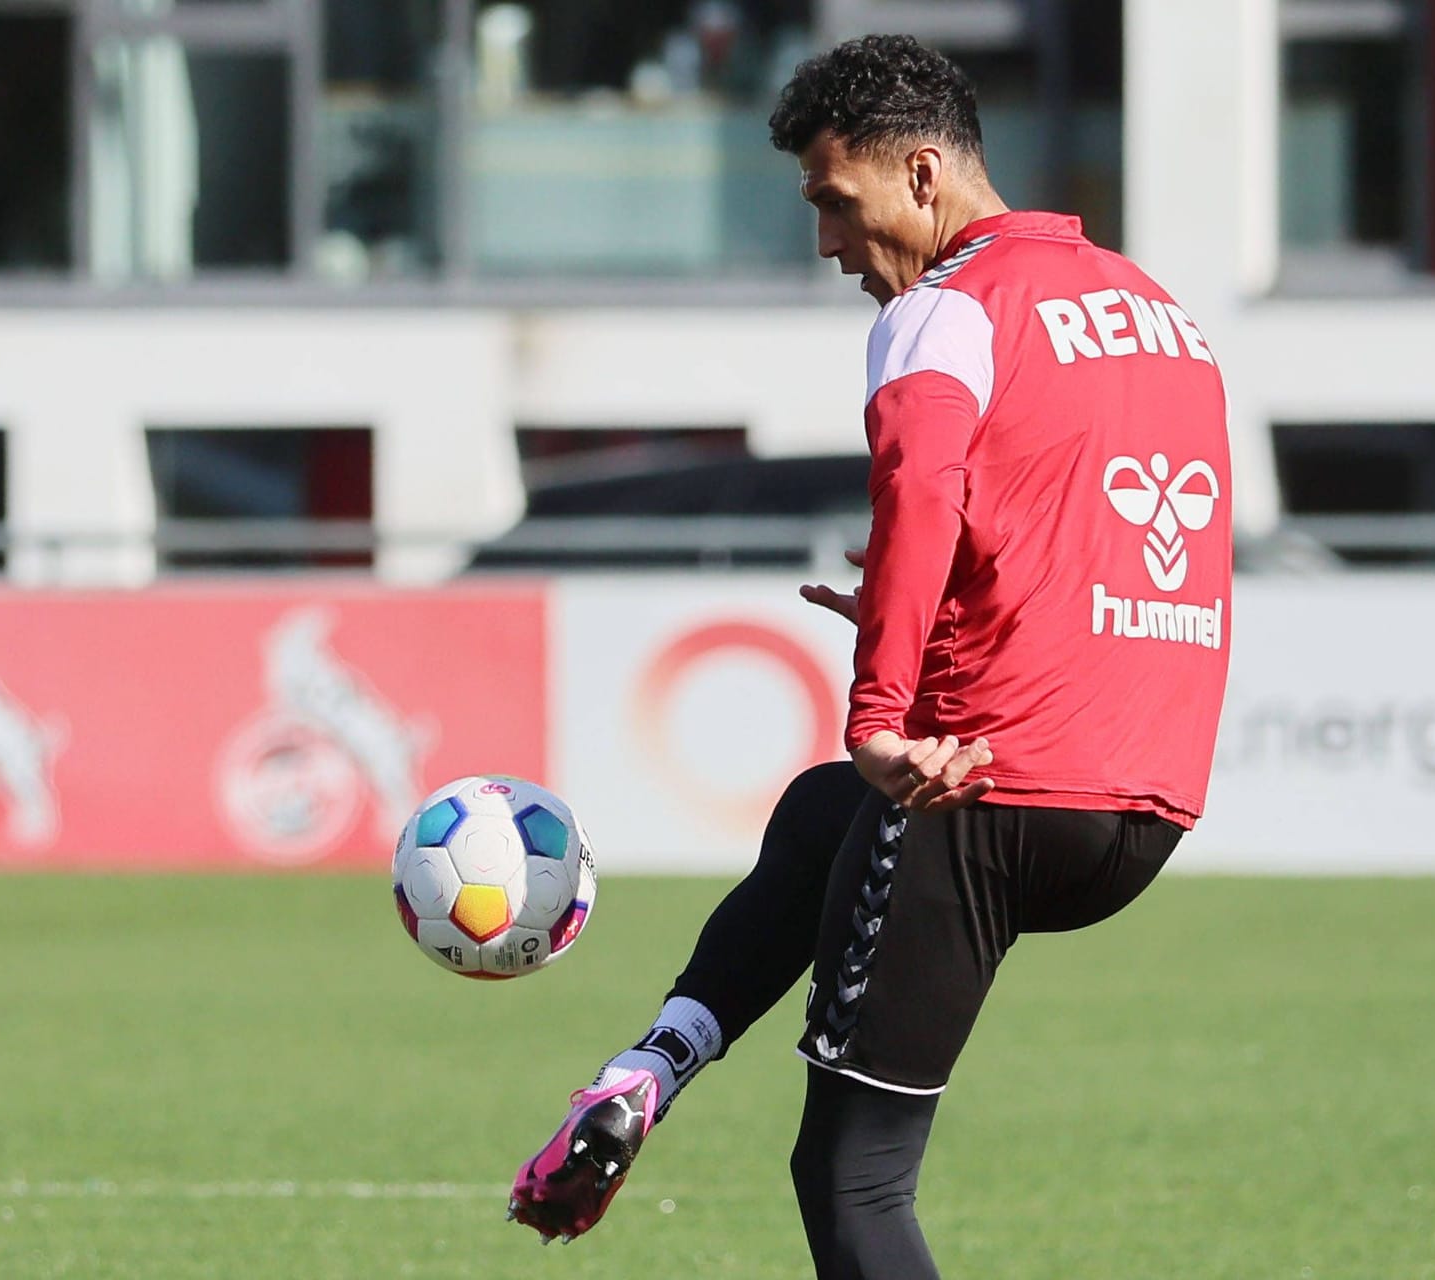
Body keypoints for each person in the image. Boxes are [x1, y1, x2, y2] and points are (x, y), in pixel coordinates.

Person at [508, 33, 1232, 1277]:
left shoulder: (946, 311)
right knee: (816, 814)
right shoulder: (1162, 316)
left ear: (923, 173)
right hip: (1141, 806)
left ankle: (645, 1075)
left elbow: (922, 497)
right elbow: (1106, 533)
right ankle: (650, 1064)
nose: (831, 244)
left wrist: (883, 710)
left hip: (976, 790)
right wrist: (950, 629)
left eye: (836, 204)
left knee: (850, 1177)